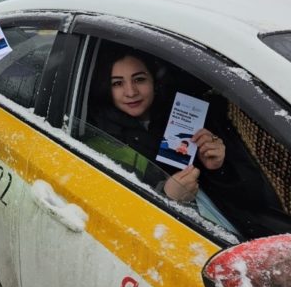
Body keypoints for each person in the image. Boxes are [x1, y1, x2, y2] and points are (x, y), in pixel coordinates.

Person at [90, 48, 226, 202]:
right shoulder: (99, 136)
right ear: (106, 88)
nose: (131, 92)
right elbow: (113, 204)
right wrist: (166, 197)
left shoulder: (183, 116)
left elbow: (230, 204)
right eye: (117, 83)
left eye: (139, 79)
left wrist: (215, 168)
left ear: (154, 80)